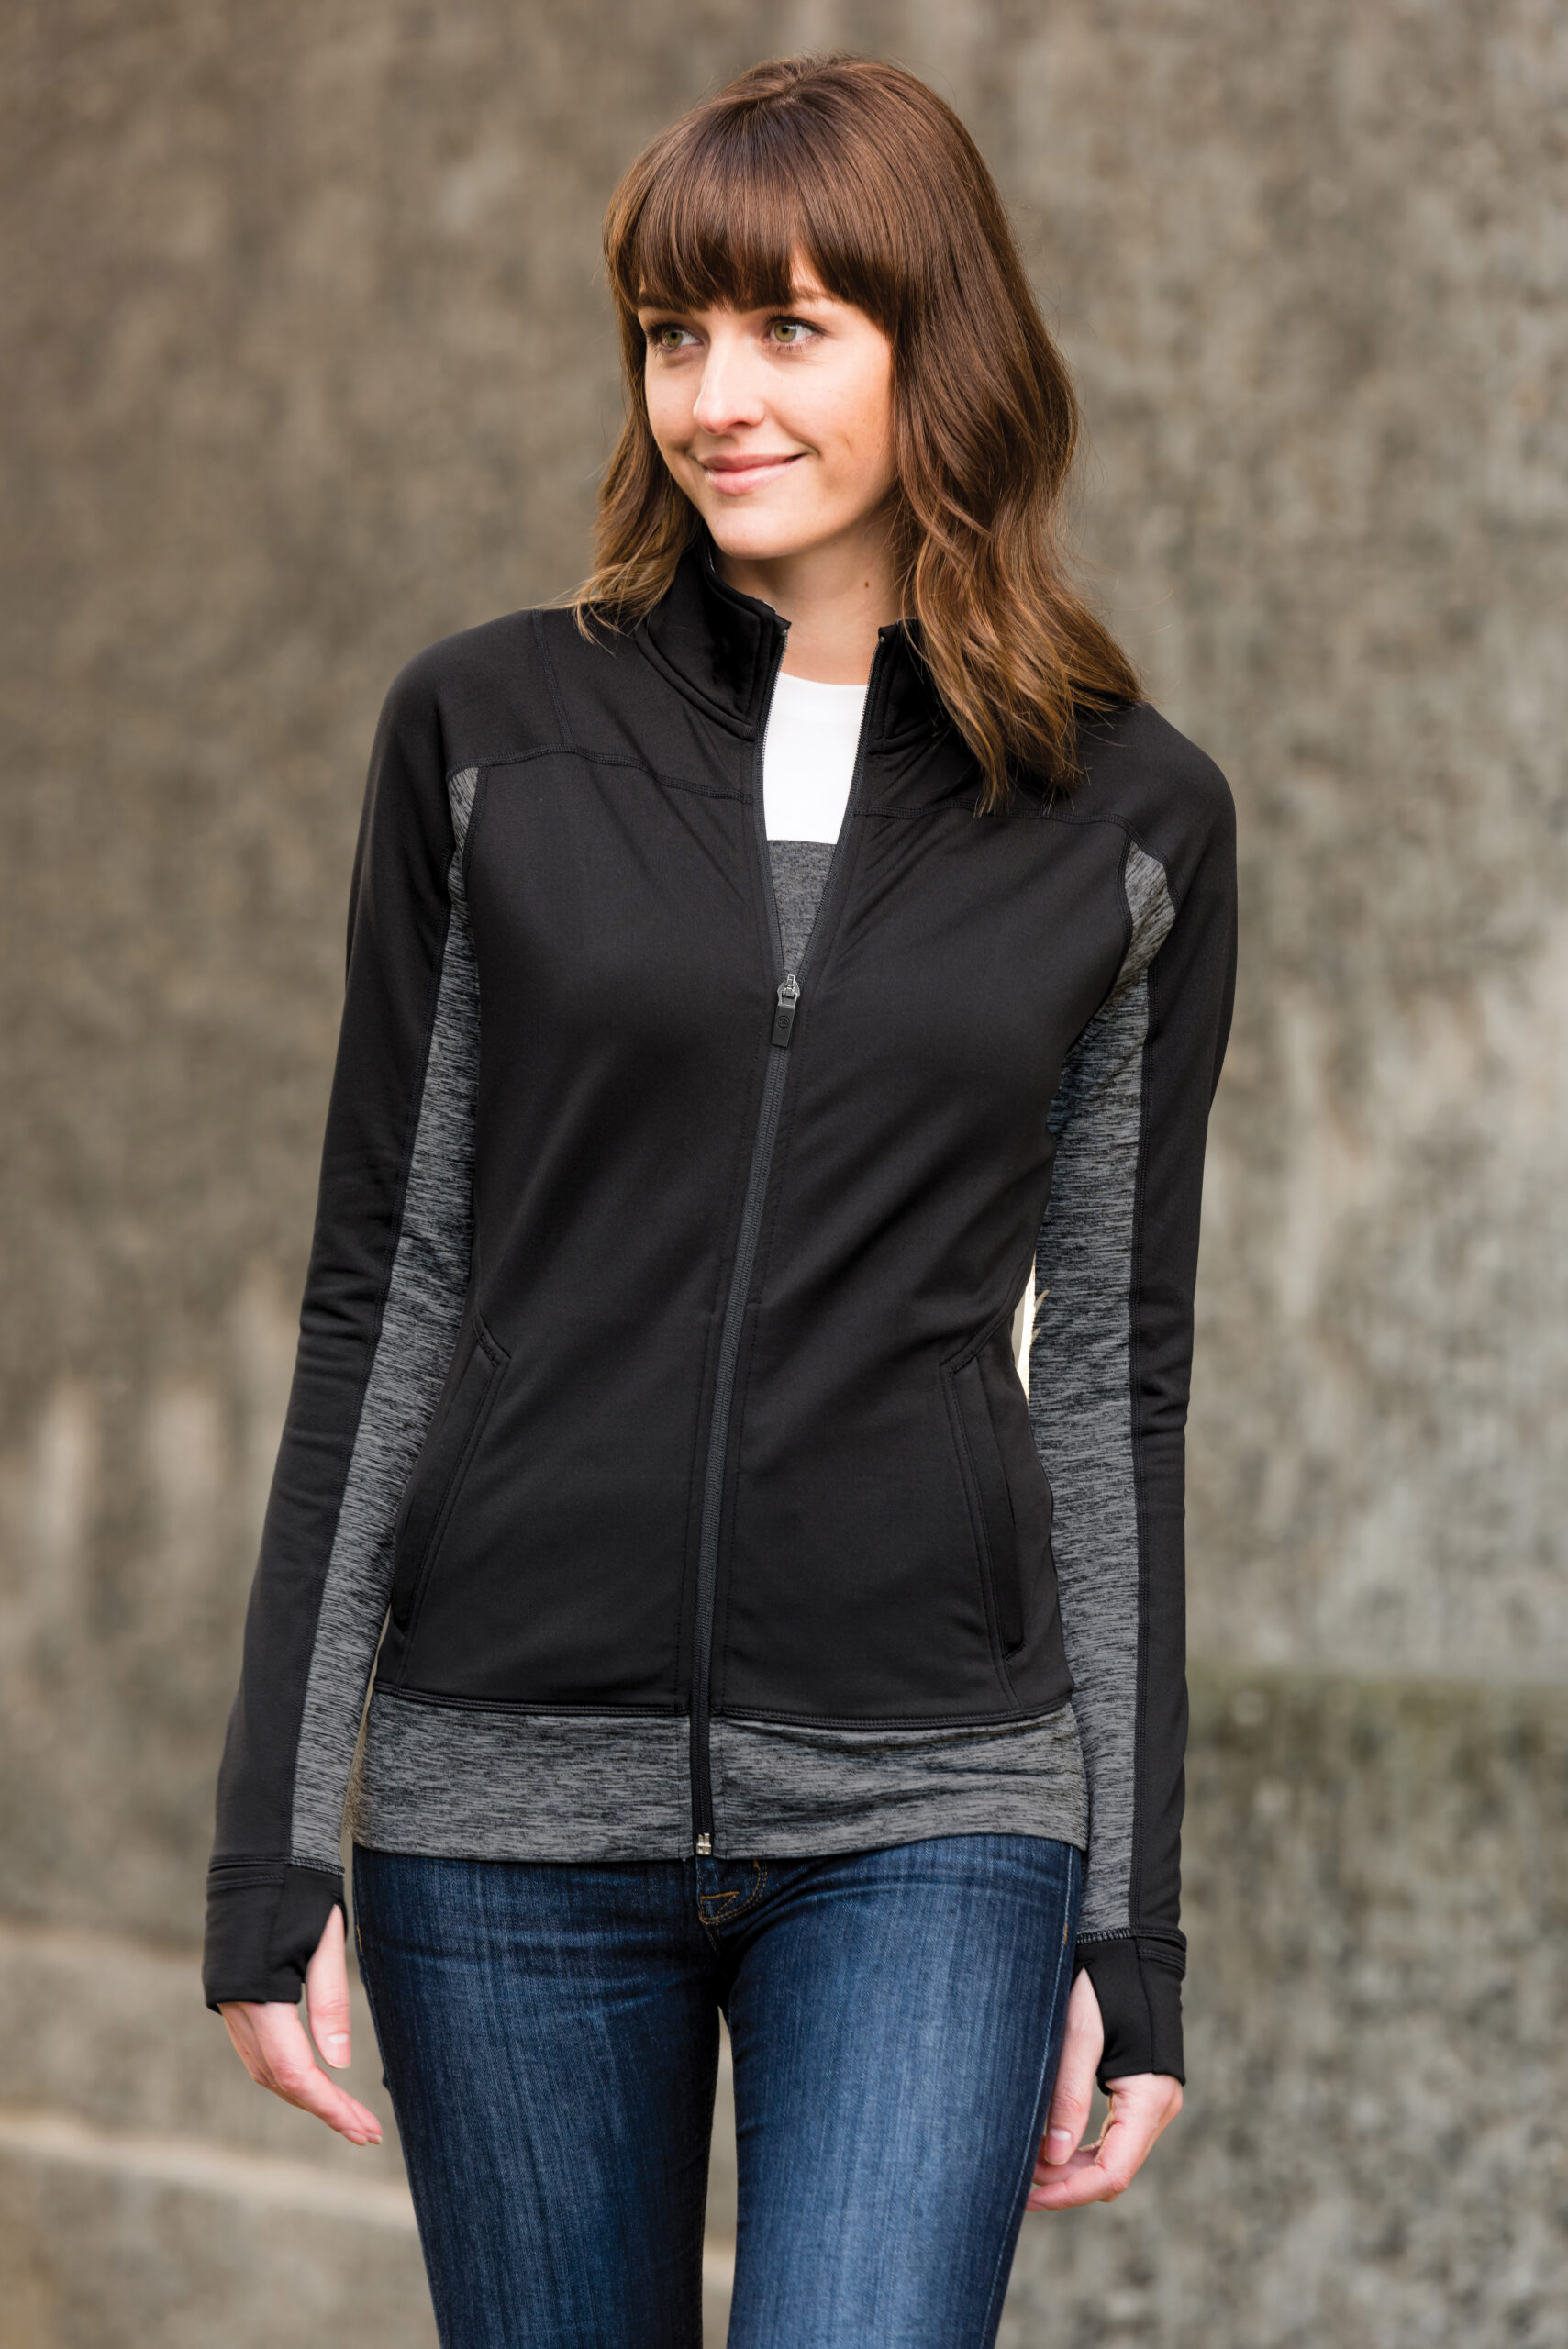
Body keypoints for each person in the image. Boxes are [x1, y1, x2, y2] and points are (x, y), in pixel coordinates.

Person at [204, 52, 1236, 2349]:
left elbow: (1112, 1381)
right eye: (675, 334)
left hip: (933, 1800)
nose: (714, 395)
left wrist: (1131, 1923)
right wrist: (271, 1834)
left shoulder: (1130, 819)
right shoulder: (486, 737)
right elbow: (392, 1280)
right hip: (501, 1797)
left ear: (936, 346)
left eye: (788, 327)